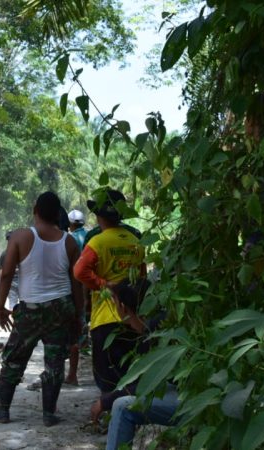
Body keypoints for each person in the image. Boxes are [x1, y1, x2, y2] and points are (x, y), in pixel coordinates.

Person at [0, 191, 84, 427]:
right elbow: (77, 283)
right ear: (57, 214)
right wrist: (78, 315)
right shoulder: (69, 242)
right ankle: (48, 414)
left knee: (14, 359)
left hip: (30, 309)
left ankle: (3, 411)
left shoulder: (21, 237)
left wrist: (0, 306)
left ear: (35, 210)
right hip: (61, 308)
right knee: (54, 362)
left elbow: (7, 274)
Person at [89, 280, 176, 450]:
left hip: (187, 399)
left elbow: (147, 385)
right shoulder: (153, 327)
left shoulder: (156, 332)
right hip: (178, 391)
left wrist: (105, 401)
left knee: (122, 407)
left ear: (122, 308)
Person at [74, 188, 146, 392]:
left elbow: (79, 272)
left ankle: (110, 416)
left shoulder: (97, 242)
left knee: (107, 378)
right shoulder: (136, 242)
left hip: (105, 319)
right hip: (132, 318)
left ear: (99, 216)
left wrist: (103, 284)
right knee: (129, 376)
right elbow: (142, 279)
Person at [64, 208, 88, 386]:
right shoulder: (89, 237)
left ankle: (67, 375)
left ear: (70, 223)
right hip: (88, 286)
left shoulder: (67, 239)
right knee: (77, 332)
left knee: (64, 334)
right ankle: (72, 374)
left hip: (69, 290)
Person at [0, 231, 20, 311]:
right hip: (22, 283)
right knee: (25, 304)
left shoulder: (4, 254)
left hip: (11, 284)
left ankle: (14, 322)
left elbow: (1, 273)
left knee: (12, 304)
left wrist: (1, 286)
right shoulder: (22, 252)